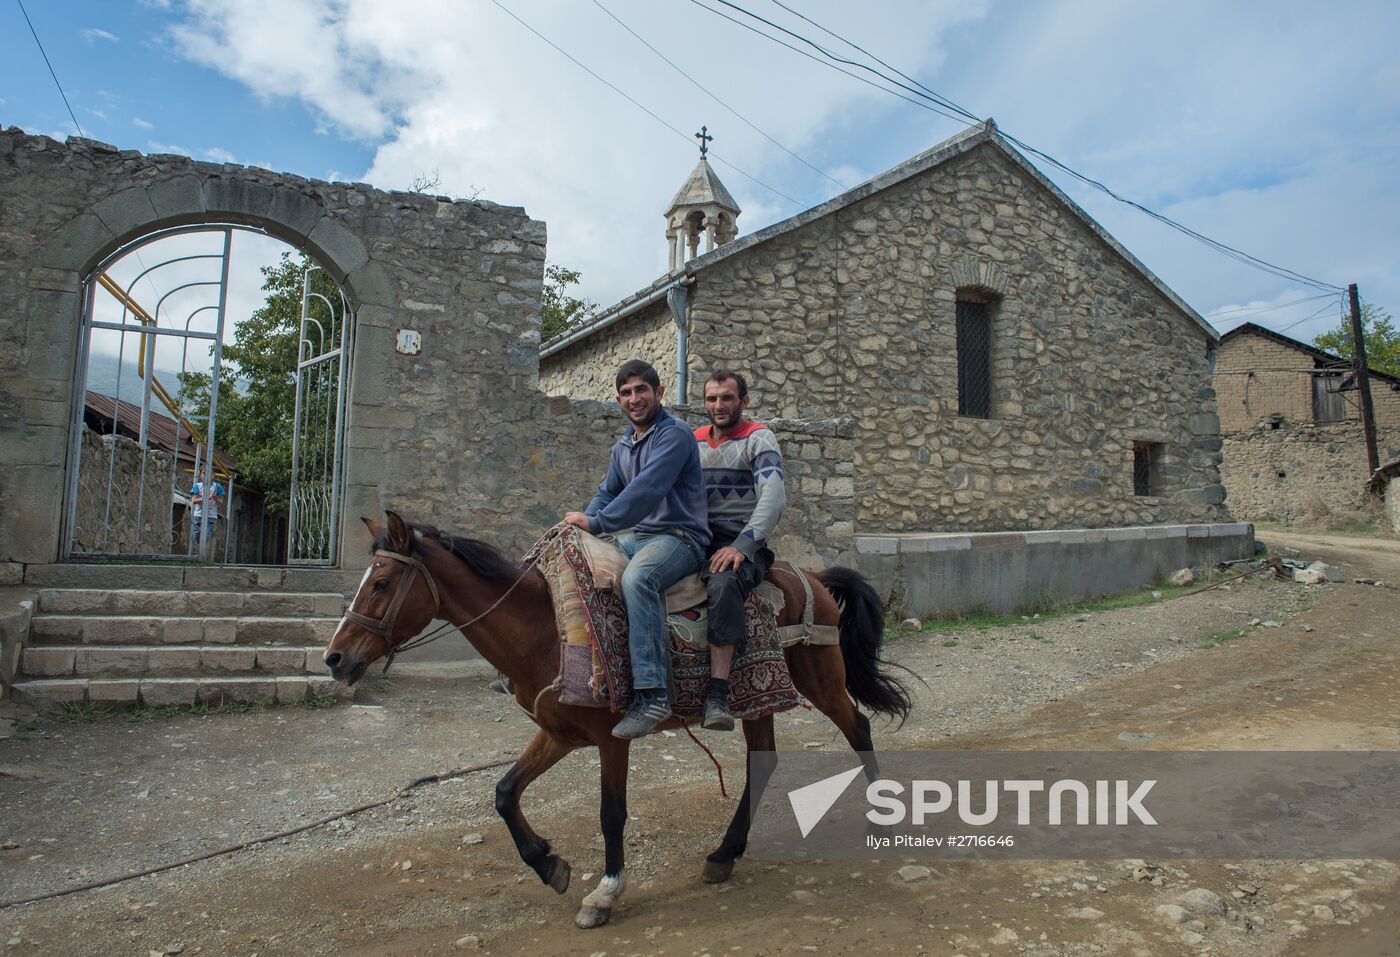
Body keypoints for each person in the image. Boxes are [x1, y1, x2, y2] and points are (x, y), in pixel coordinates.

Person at [565, 359, 710, 739]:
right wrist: (584, 522)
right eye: (626, 392)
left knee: (639, 577)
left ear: (659, 393)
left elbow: (646, 489)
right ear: (617, 399)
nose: (634, 398)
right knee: (573, 558)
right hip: (644, 535)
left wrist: (597, 524)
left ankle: (653, 694)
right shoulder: (623, 447)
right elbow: (607, 491)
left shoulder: (675, 435)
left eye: (641, 389)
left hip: (681, 537)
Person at [694, 370, 786, 731]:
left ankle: (718, 693)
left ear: (743, 401)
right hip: (697, 537)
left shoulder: (758, 438)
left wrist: (743, 545)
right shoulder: (693, 440)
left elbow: (773, 496)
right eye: (712, 399)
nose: (719, 406)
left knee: (722, 584)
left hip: (742, 539)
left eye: (727, 398)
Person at [189, 478, 226, 548]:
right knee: (196, 536)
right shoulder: (197, 486)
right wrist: (207, 498)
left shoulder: (217, 487)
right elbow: (194, 500)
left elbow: (221, 503)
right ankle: (200, 553)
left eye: (210, 473)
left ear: (214, 475)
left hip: (210, 516)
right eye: (203, 473)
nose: (206, 475)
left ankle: (203, 557)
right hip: (198, 515)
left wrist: (215, 497)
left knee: (206, 538)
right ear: (200, 475)